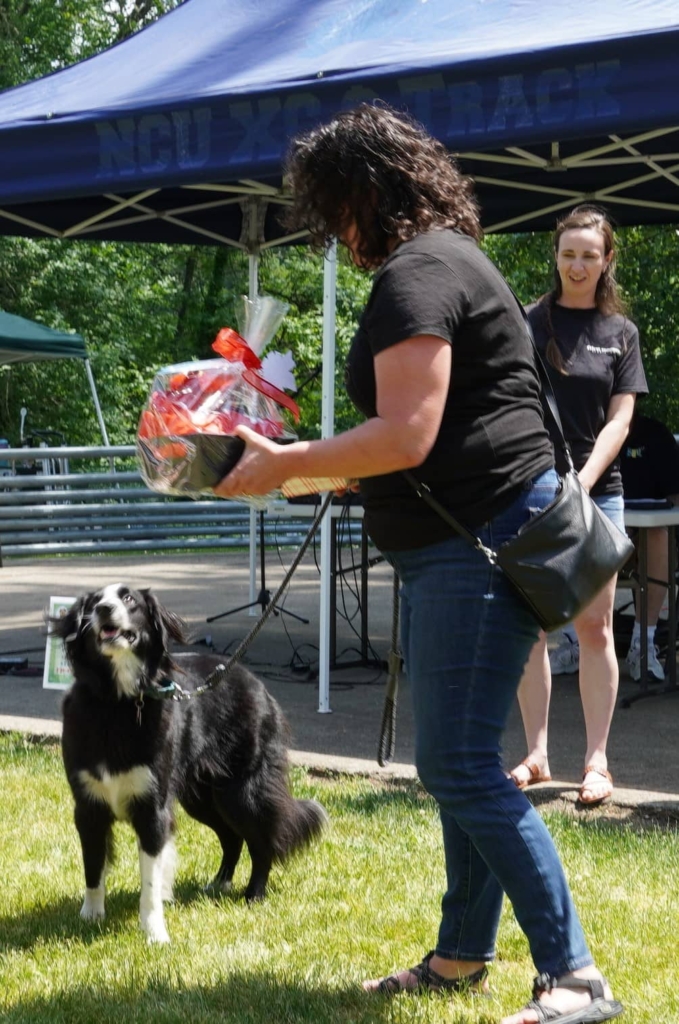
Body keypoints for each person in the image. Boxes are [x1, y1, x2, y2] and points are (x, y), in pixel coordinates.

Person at [215, 104, 623, 1024]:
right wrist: (311, 475)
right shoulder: (450, 259)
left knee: (456, 765)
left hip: (471, 550)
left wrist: (287, 462)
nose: (333, 233)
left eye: (329, 209)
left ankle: (575, 976)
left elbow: (407, 433)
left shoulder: (417, 271)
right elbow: (445, 438)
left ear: (364, 195)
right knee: (465, 761)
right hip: (474, 536)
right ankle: (458, 957)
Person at [509, 205, 647, 807]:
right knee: (531, 630)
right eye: (569, 252)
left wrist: (585, 480)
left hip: (599, 494)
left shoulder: (622, 333)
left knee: (594, 629)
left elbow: (621, 420)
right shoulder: (528, 321)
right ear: (556, 255)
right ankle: (536, 756)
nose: (578, 263)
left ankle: (596, 762)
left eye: (590, 254)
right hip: (531, 490)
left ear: (607, 259)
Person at [620, 405, 679, 680]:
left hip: (648, 541)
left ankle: (642, 643)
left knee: (658, 534)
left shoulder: (655, 435)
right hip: (599, 537)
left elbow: (675, 498)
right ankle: (573, 644)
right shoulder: (583, 433)